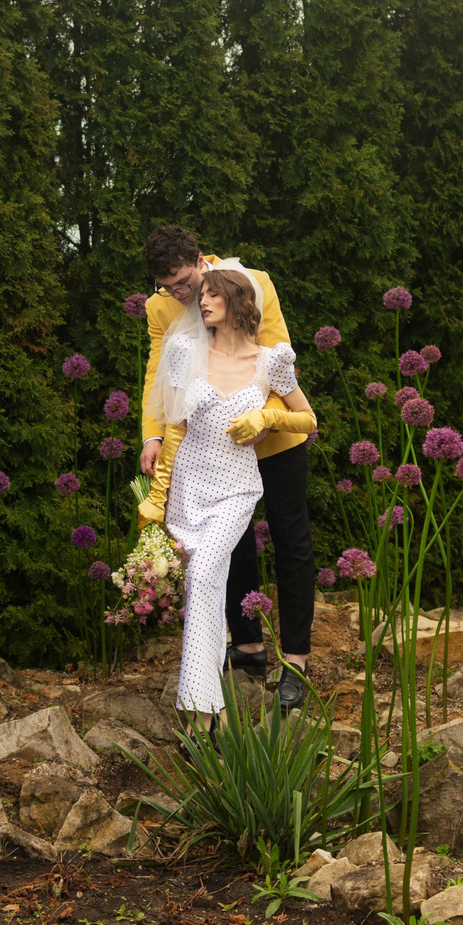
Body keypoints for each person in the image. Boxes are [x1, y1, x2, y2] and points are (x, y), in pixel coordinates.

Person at [136, 225, 319, 709]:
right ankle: (248, 646)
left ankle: (296, 660)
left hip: (271, 433)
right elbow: (160, 374)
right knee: (229, 544)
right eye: (166, 287)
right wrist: (153, 434)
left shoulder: (253, 282)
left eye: (182, 283)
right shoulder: (161, 307)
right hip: (209, 445)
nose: (177, 295)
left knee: (289, 536)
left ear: (200, 262)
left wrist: (264, 416)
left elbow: (277, 359)